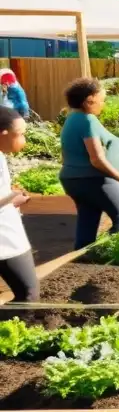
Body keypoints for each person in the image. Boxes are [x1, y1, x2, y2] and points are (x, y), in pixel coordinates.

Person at [59, 77, 119, 249]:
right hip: (94, 179)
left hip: (74, 179)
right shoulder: (87, 121)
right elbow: (97, 158)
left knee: (88, 220)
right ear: (89, 101)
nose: (103, 104)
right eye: (101, 100)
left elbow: (66, 154)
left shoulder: (72, 119)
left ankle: (82, 262)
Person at [0, 106, 38, 301]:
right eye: (20, 134)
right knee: (29, 294)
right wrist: (11, 198)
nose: (23, 140)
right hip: (5, 239)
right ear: (3, 133)